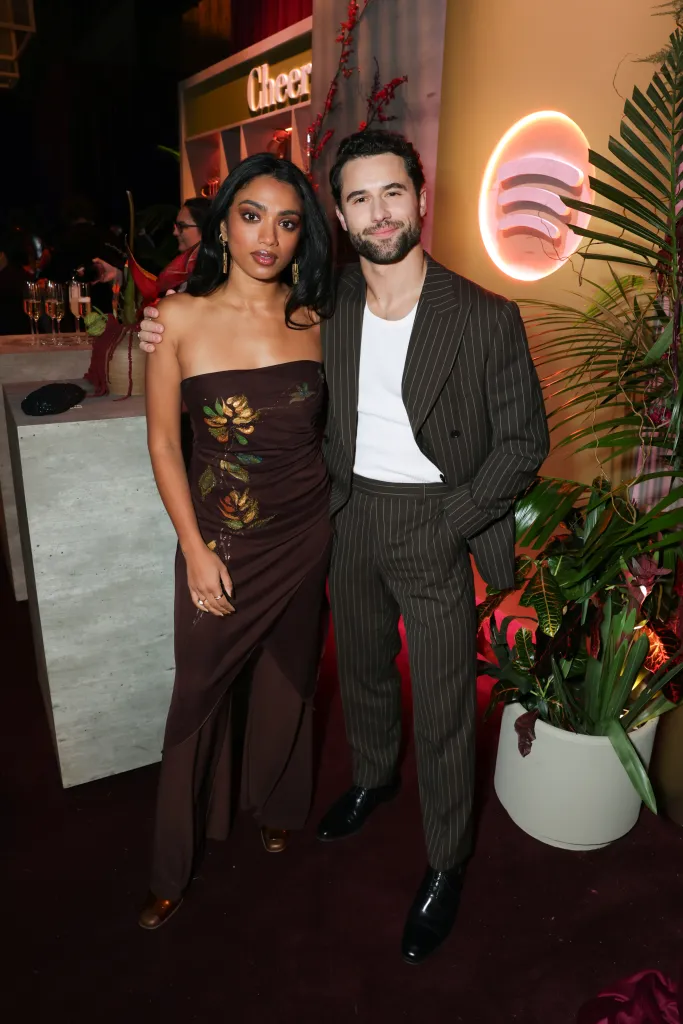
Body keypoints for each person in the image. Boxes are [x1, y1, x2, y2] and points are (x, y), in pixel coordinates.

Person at [139, 130, 550, 964]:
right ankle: (370, 777)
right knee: (358, 669)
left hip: (437, 518)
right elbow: (228, 353)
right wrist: (159, 330)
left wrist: (455, 518)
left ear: (420, 197)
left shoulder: (483, 315)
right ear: (341, 213)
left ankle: (444, 861)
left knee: (439, 705)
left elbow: (521, 442)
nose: (378, 211)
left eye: (392, 192)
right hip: (344, 515)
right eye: (359, 198)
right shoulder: (326, 308)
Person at [138, 153, 334, 930]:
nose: (269, 236)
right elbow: (161, 443)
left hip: (306, 531)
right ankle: (169, 866)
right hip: (220, 540)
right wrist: (193, 547)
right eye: (252, 215)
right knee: (196, 695)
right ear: (223, 223)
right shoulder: (178, 319)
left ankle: (277, 802)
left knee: (291, 676)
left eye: (287, 222)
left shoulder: (317, 315)